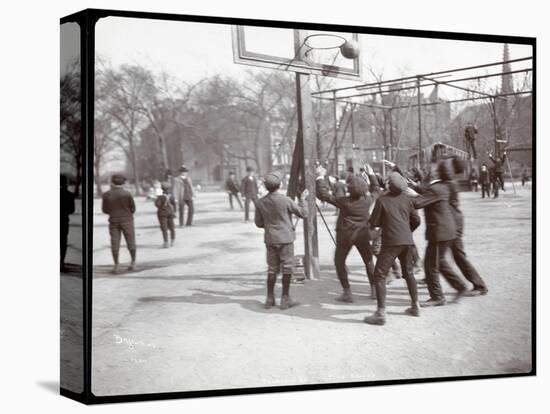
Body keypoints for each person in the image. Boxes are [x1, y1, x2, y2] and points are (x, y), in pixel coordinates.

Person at [316, 164, 379, 303]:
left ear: (348, 189)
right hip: (362, 234)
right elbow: (376, 189)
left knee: (339, 261)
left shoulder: (343, 201)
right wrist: (371, 174)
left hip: (345, 236)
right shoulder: (367, 201)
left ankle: (347, 292)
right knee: (368, 261)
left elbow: (323, 194)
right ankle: (374, 289)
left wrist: (320, 176)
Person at [364, 172, 421, 325]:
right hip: (408, 241)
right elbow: (417, 220)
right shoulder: (407, 199)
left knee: (379, 275)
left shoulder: (382, 200)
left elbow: (374, 222)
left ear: (389, 185)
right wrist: (407, 232)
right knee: (408, 273)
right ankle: (415, 305)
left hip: (391, 241)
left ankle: (381, 313)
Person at [412, 162, 469, 307]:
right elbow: (424, 190)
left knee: (430, 265)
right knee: (441, 262)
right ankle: (460, 286)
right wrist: (410, 186)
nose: (430, 173)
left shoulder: (435, 189)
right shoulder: (444, 187)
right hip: (447, 230)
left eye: (433, 172)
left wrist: (403, 195)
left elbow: (418, 203)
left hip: (439, 232)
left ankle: (437, 297)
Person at [255, 171, 308, 310]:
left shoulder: (260, 202)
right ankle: (285, 299)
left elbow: (258, 223)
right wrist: (303, 199)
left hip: (270, 239)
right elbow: (303, 213)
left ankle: (269, 298)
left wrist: (269, 225)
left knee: (272, 269)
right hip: (286, 238)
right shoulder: (286, 200)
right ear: (279, 185)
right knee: (287, 268)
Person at [446, 157, 489, 295]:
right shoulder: (450, 181)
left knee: (458, 256)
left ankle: (480, 285)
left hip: (453, 222)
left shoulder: (449, 182)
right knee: (446, 256)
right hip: (452, 221)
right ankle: (430, 279)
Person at [101, 174, 137, 274]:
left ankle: (116, 265)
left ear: (112, 182)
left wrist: (113, 213)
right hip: (127, 220)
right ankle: (133, 263)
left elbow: (105, 210)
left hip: (114, 221)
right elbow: (133, 208)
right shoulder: (127, 194)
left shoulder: (106, 194)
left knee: (115, 243)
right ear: (123, 183)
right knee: (131, 241)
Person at [60, 174, 75, 272]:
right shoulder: (70, 195)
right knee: (63, 243)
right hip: (63, 221)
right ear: (66, 184)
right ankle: (61, 262)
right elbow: (71, 210)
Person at [154, 183, 176, 248]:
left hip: (162, 214)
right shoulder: (171, 196)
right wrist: (174, 212)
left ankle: (166, 242)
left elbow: (157, 205)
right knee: (172, 228)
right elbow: (174, 205)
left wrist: (157, 198)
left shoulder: (160, 196)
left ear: (162, 189)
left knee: (164, 228)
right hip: (170, 213)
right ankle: (172, 240)